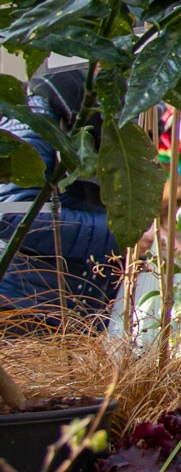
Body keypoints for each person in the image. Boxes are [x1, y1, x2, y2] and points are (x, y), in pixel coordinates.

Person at [0, 67, 123, 320]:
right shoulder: (31, 122)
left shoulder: (78, 121)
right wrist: (119, 235)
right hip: (23, 306)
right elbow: (11, 214)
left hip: (68, 307)